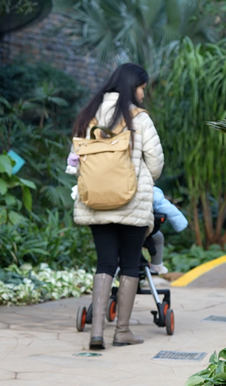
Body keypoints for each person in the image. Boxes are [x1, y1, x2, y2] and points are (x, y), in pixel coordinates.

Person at [69, 63, 164, 350]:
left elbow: (74, 162)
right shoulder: (139, 118)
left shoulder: (88, 116)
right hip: (132, 202)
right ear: (131, 87)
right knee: (130, 264)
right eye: (142, 88)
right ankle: (121, 331)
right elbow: (156, 163)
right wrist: (141, 175)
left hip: (96, 202)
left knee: (105, 262)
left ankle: (96, 331)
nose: (143, 94)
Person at [148, 186, 188, 275]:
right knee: (158, 237)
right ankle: (156, 265)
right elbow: (163, 206)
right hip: (142, 231)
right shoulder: (151, 189)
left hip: (116, 230)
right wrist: (181, 223)